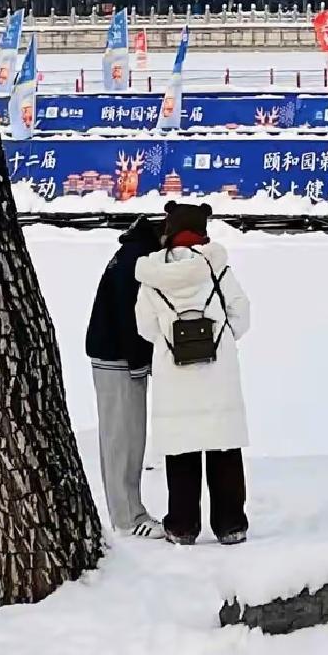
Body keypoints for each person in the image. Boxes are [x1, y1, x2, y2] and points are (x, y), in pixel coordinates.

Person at [134, 200, 252, 545]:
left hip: (175, 375)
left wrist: (171, 345)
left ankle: (183, 527)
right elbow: (241, 314)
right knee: (224, 449)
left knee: (181, 451)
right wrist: (222, 340)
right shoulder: (218, 268)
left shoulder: (152, 276)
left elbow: (145, 326)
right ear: (202, 232)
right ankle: (231, 525)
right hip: (218, 373)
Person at [85, 215, 166, 538]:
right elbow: (128, 315)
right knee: (123, 439)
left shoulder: (132, 252)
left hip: (113, 354)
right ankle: (127, 518)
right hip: (116, 357)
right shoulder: (138, 260)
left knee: (126, 438)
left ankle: (128, 512)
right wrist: (137, 362)